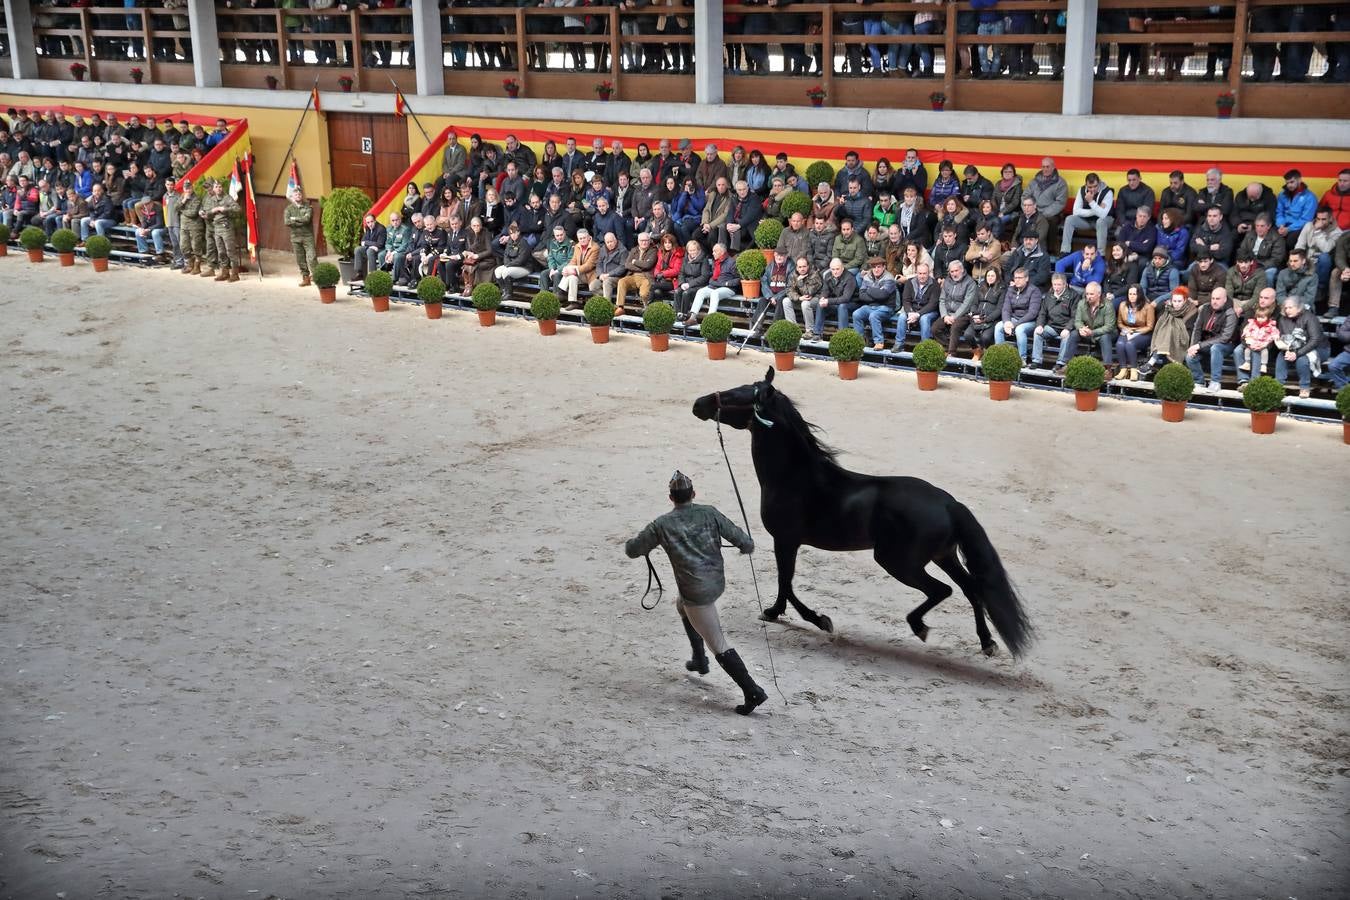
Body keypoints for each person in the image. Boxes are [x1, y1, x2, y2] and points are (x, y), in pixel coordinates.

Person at [625, 471, 766, 717]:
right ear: (693, 494)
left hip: (696, 593)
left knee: (718, 642)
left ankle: (752, 690)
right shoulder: (709, 512)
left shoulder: (661, 525)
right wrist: (746, 544)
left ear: (671, 498)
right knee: (681, 606)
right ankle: (699, 659)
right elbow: (745, 543)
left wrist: (633, 543)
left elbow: (633, 550)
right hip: (715, 584)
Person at [1273, 296, 1329, 399]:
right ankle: (1277, 386)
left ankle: (1304, 387)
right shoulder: (1282, 319)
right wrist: (1284, 346)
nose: (1287, 310)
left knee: (1302, 359)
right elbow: (1284, 338)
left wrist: (1296, 353)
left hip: (1318, 349)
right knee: (1281, 356)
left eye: (1291, 307)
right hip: (1294, 347)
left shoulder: (1310, 317)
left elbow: (1315, 340)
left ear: (1299, 308)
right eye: (1286, 308)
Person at [1186, 287, 1238, 393]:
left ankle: (1215, 382)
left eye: (1218, 299)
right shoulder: (1205, 308)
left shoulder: (1230, 313)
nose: (1214, 301)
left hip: (1226, 345)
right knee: (1190, 356)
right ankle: (1199, 381)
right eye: (1213, 298)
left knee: (1216, 348)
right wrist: (1193, 346)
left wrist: (1200, 345)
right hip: (1206, 342)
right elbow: (1197, 328)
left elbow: (1224, 337)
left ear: (1224, 299)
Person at [1059, 281, 1116, 375]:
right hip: (1087, 331)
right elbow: (1077, 320)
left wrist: (1092, 332)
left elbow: (1109, 326)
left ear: (1099, 294)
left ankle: (1108, 369)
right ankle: (1066, 363)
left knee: (1105, 337)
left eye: (1091, 294)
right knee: (1074, 334)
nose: (1089, 296)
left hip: (1103, 333)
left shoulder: (1108, 305)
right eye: (1087, 294)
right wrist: (1081, 328)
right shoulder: (1082, 303)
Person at [994, 266, 1042, 363]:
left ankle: (1021, 359)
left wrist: (1015, 325)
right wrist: (1007, 322)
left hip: (1030, 321)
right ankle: (1001, 357)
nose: (1017, 280)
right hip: (1014, 319)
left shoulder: (1034, 291)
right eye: (1015, 278)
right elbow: (1006, 309)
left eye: (1020, 278)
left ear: (1027, 278)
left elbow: (1033, 313)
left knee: (1020, 329)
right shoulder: (1011, 290)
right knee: (998, 326)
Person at [1032, 273, 1079, 369]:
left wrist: (1067, 329)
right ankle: (1036, 360)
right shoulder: (1049, 295)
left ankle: (1060, 363)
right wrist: (1040, 325)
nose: (1056, 287)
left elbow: (1075, 316)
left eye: (1059, 285)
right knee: (1038, 333)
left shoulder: (1074, 296)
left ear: (1065, 284)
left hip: (1066, 327)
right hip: (1052, 326)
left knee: (1067, 337)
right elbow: (1042, 313)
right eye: (1054, 285)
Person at [852, 257, 899, 351]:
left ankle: (879, 342)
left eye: (879, 267)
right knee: (856, 314)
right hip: (871, 306)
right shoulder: (867, 277)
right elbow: (861, 295)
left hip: (886, 307)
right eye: (874, 267)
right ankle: (859, 341)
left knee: (874, 315)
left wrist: (869, 290)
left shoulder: (889, 278)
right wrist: (876, 293)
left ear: (884, 267)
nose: (876, 269)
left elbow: (883, 295)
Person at [1060, 172, 1114, 253]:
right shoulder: (1082, 190)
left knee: (1100, 221)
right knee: (1069, 219)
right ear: (1086, 185)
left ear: (1099, 183)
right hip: (1087, 221)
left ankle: (1101, 254)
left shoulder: (1108, 192)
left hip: (1106, 220)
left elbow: (1103, 215)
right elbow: (1075, 211)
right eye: (1090, 187)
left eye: (1095, 186)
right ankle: (1065, 251)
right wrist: (1095, 210)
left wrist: (1091, 202)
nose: (1093, 189)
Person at [1112, 284, 1154, 380]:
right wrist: (1126, 329)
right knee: (1120, 344)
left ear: (1139, 295)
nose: (1132, 296)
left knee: (1130, 344)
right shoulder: (1123, 305)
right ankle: (1123, 369)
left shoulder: (1148, 307)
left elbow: (1150, 326)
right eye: (1130, 294)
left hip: (1143, 332)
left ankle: (1133, 369)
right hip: (1127, 330)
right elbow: (1119, 322)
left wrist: (1134, 331)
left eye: (1134, 294)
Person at [205, 178, 239, 283]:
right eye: (216, 187)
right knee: (221, 251)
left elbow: (237, 209)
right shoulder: (212, 199)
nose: (218, 189)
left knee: (230, 251)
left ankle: (235, 273)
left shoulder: (227, 198)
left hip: (226, 227)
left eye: (220, 187)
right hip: (216, 228)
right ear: (213, 189)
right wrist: (213, 210)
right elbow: (206, 212)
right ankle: (224, 272)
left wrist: (225, 209)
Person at [284, 187, 317, 287]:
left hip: (307, 236)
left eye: (299, 194)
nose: (298, 196)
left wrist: (294, 219)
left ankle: (317, 276)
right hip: (295, 237)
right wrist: (299, 221)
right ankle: (306, 278)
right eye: (296, 194)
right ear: (292, 197)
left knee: (312, 257)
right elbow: (287, 222)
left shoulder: (308, 207)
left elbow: (307, 219)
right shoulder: (288, 209)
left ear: (302, 196)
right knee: (300, 259)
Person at [352, 212, 387, 285]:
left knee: (370, 251)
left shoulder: (381, 228)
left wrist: (368, 244)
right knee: (358, 249)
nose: (370, 224)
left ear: (375, 221)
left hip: (381, 249)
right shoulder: (367, 228)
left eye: (371, 222)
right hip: (370, 248)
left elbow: (380, 244)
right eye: (368, 222)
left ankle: (372, 275)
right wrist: (371, 245)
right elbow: (362, 242)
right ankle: (360, 273)